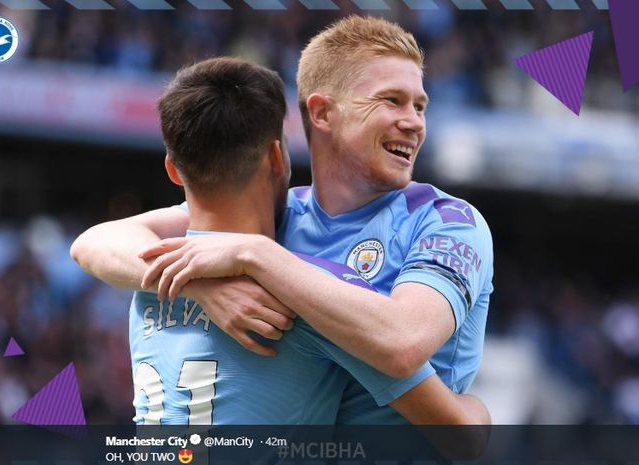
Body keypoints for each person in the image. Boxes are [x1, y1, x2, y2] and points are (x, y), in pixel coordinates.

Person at [72, 16, 493, 426]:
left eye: (420, 105)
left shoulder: (445, 222)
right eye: (391, 100)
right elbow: (95, 242)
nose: (414, 122)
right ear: (323, 114)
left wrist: (252, 255)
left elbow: (404, 340)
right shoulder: (269, 222)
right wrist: (204, 285)